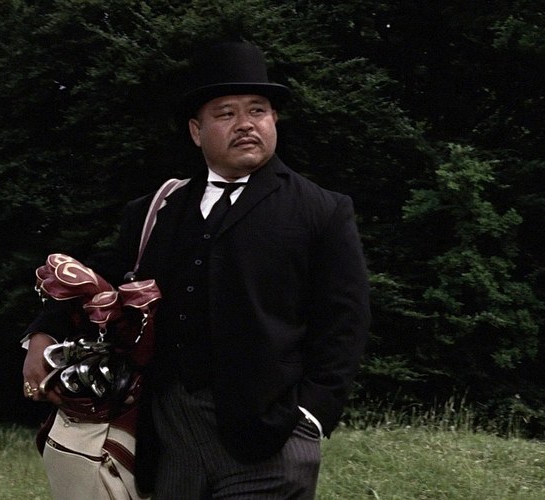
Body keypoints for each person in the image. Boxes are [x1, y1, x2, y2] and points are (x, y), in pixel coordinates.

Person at [21, 40, 370, 499]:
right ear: (195, 130)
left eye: (258, 110)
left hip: (270, 441)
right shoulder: (155, 210)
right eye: (226, 113)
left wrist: (311, 417)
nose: (245, 124)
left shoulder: (321, 210)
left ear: (273, 119)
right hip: (170, 441)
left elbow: (345, 323)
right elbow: (99, 278)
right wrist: (43, 333)